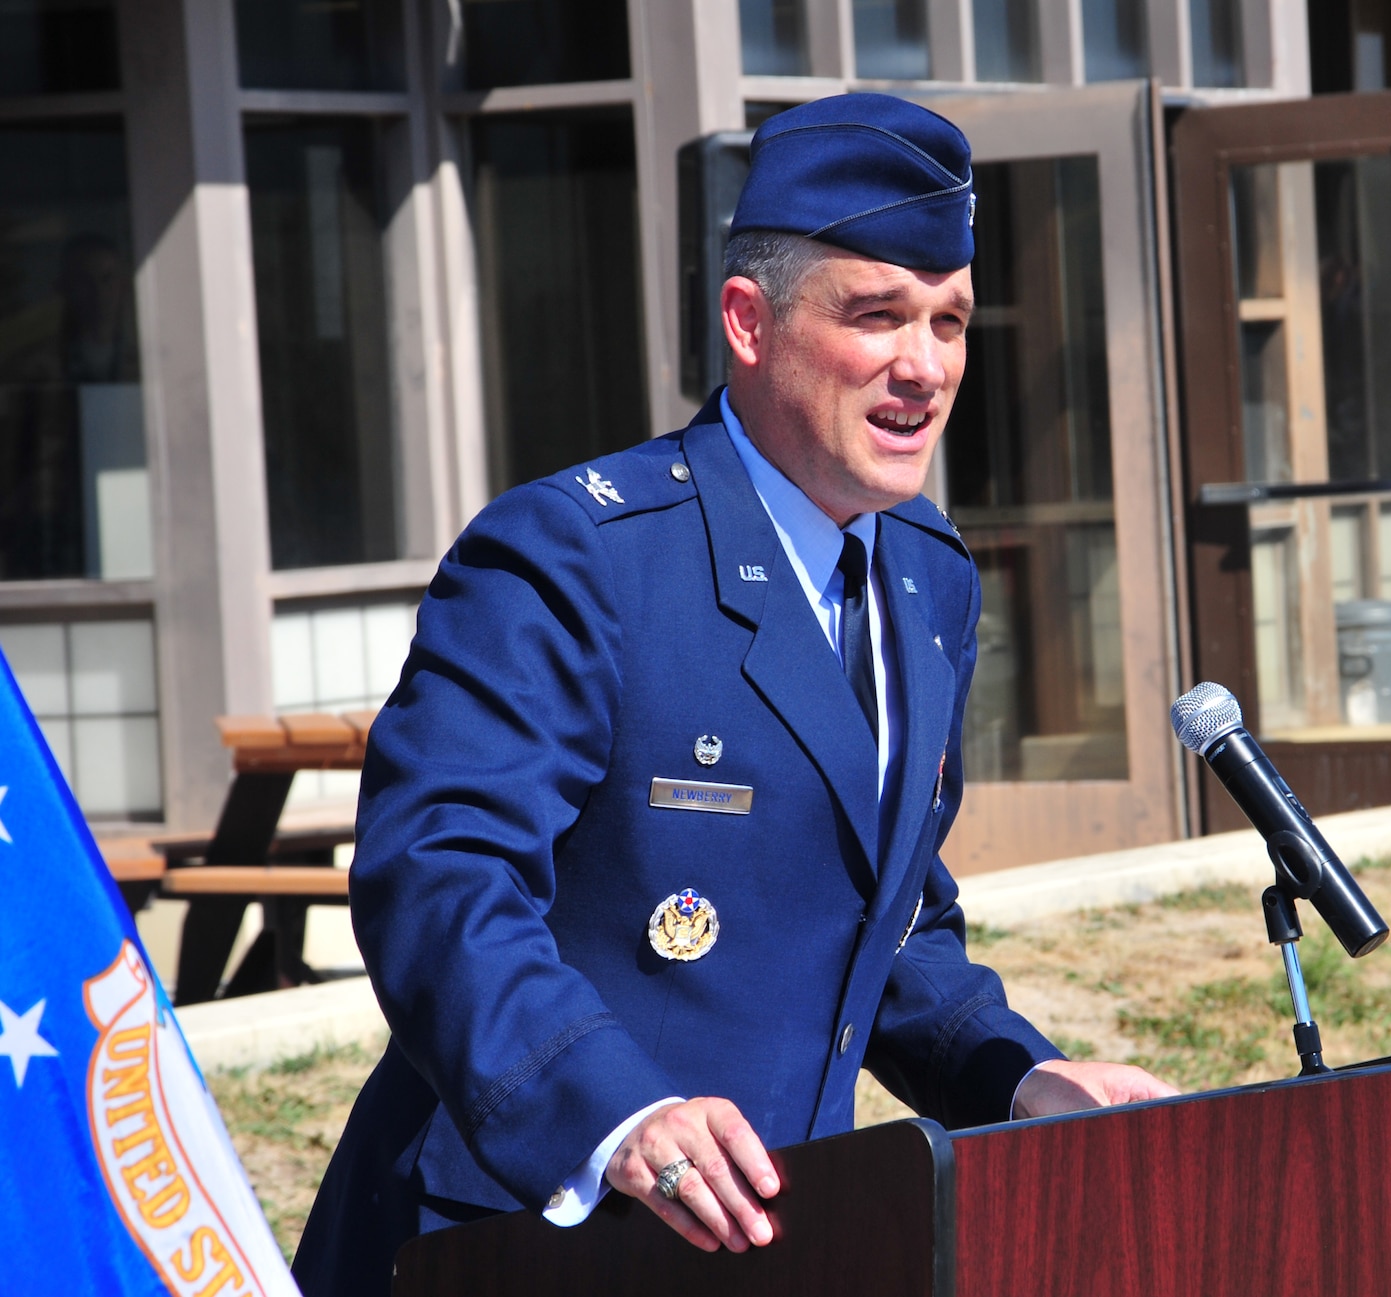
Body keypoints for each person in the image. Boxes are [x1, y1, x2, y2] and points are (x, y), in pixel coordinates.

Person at [291, 94, 1176, 1295]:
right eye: (876, 316)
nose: (922, 365)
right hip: (524, 1233)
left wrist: (1018, 1075)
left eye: (950, 322)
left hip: (765, 1237)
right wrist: (615, 1114)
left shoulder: (925, 578)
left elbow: (886, 914)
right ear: (749, 323)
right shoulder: (575, 558)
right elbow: (440, 878)